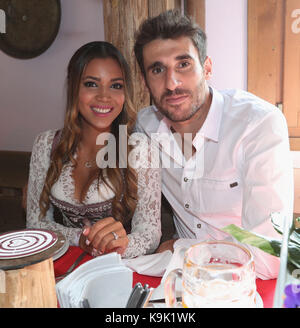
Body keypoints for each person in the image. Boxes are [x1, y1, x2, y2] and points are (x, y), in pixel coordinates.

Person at [133, 10, 294, 279]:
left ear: (207, 68)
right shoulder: (146, 127)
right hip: (176, 279)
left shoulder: (258, 125)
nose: (171, 83)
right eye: (158, 69)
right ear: (144, 81)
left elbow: (270, 257)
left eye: (183, 64)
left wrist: (181, 247)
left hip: (248, 283)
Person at [26, 41, 161, 259]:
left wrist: (121, 243)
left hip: (116, 269)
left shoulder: (139, 148)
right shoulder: (45, 145)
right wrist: (81, 238)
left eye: (116, 85)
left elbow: (150, 235)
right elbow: (35, 226)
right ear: (73, 87)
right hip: (62, 268)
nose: (104, 96)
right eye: (91, 84)